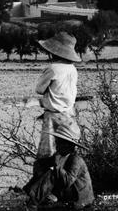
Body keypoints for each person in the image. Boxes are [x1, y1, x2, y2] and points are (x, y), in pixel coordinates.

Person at [23, 118, 95, 210]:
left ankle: (32, 203)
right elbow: (45, 166)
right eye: (57, 141)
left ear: (69, 145)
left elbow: (67, 181)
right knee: (45, 168)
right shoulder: (61, 156)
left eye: (60, 142)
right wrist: (40, 165)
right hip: (67, 197)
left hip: (80, 201)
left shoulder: (76, 160)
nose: (56, 145)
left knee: (52, 173)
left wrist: (55, 167)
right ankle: (32, 197)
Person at [34, 32, 81, 162]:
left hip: (53, 116)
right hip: (69, 114)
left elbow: (39, 89)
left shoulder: (53, 68)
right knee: (66, 152)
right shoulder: (72, 69)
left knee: (47, 154)